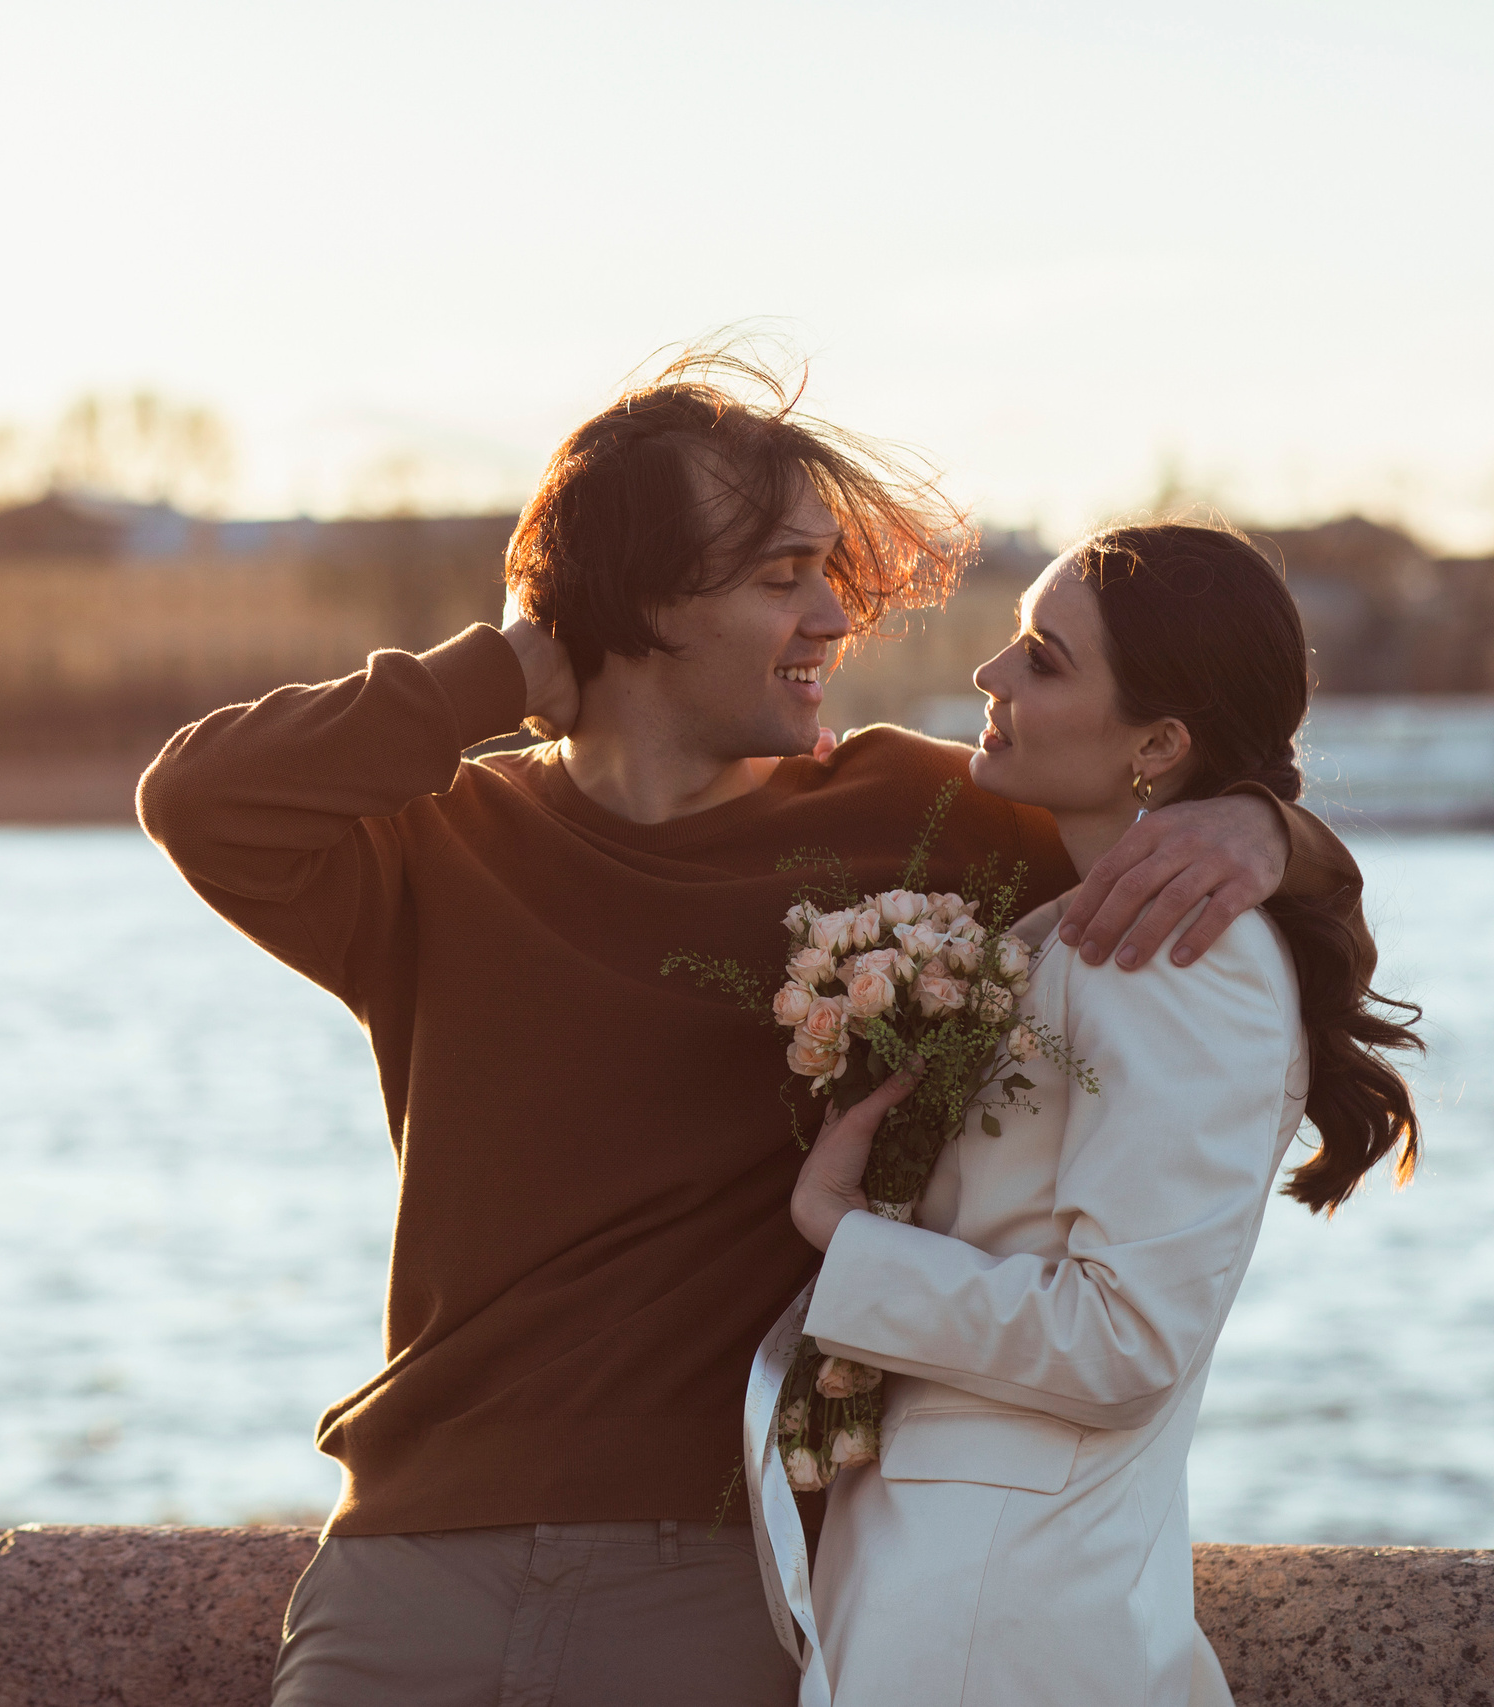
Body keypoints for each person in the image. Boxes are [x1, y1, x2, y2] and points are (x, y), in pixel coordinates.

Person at [136, 347, 1365, 1707]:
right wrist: (502, 669)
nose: (832, 617)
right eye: (782, 574)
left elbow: (1223, 902)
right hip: (405, 1565)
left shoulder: (928, 811)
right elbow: (203, 799)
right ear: (641, 600)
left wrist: (1267, 825)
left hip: (723, 1579)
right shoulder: (434, 849)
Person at [773, 523, 1422, 1707]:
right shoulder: (1074, 929)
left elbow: (1124, 1341)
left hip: (1001, 1608)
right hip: (961, 1581)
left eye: (1044, 658)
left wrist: (847, 1234)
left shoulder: (1176, 952)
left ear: (1159, 744)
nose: (991, 676)